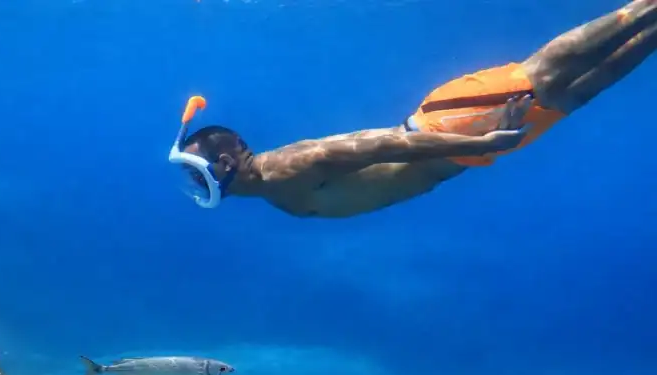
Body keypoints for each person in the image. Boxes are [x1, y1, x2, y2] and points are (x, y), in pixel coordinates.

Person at [167, 0, 657, 217]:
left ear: (226, 163)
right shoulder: (273, 189)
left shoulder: (287, 169)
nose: (195, 182)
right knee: (583, 87)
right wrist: (478, 148)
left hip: (457, 127)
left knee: (551, 70)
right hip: (462, 150)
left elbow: (381, 144)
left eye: (196, 170)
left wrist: (479, 140)